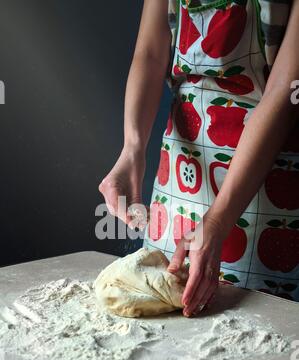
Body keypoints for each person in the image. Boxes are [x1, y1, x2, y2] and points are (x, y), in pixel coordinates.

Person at [99, 0, 299, 316]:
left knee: (254, 328)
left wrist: (218, 221)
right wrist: (132, 150)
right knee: (166, 325)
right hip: (180, 176)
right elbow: (150, 55)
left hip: (264, 183)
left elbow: (284, 92)